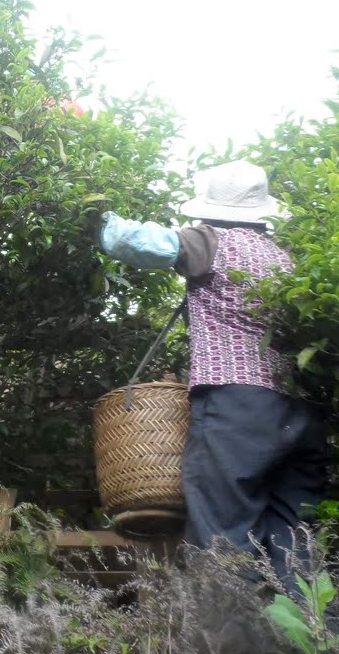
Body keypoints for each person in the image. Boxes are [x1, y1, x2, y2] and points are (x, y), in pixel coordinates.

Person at [98, 159, 328, 594]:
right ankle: (313, 651)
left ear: (211, 207)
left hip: (239, 408)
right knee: (298, 548)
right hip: (303, 413)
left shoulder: (209, 241)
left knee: (223, 535)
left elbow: (137, 242)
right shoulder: (286, 258)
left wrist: (97, 218)